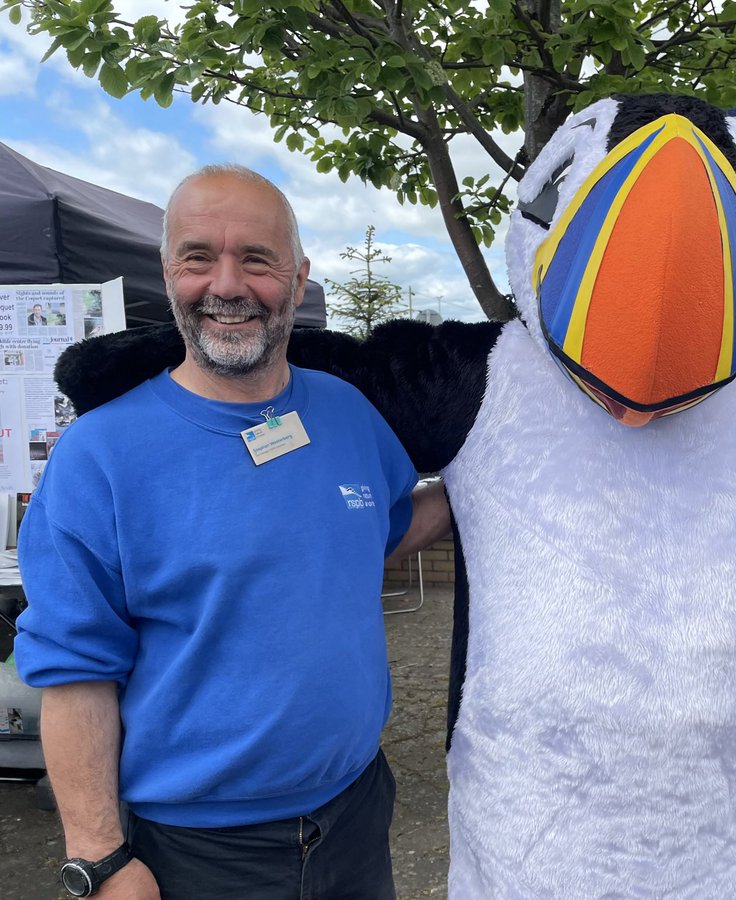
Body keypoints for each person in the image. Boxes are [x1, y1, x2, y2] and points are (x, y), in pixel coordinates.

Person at [16, 164, 450, 900]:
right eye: (198, 257)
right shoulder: (100, 455)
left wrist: (497, 492)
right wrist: (100, 859)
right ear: (167, 271)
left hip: (356, 812)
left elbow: (385, 528)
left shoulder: (345, 412)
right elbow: (74, 669)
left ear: (299, 275)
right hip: (199, 852)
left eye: (257, 258)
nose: (228, 285)